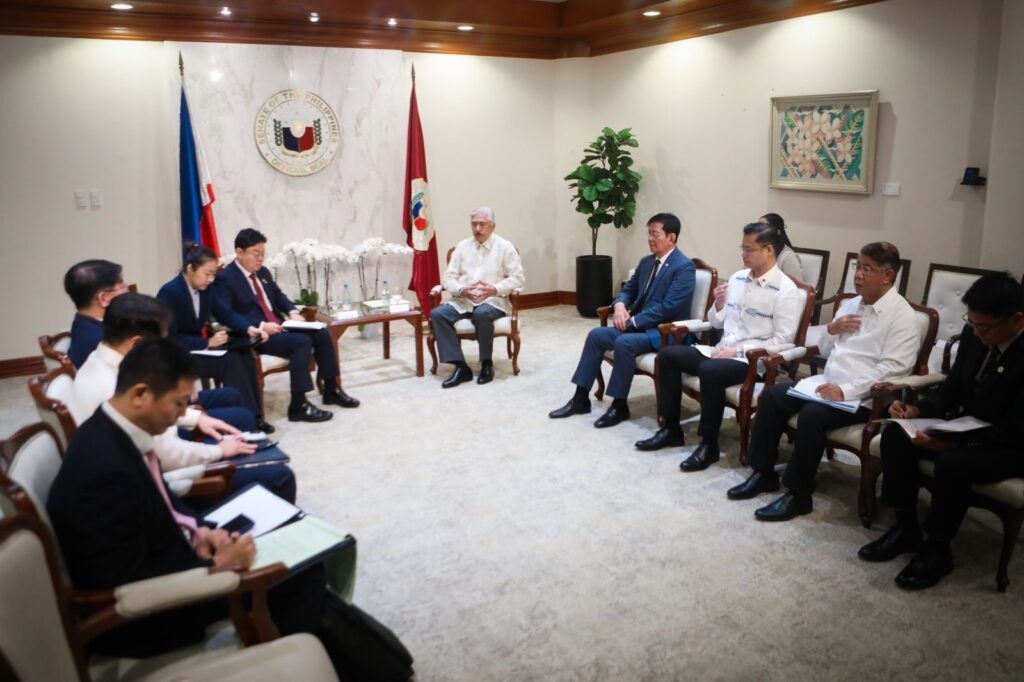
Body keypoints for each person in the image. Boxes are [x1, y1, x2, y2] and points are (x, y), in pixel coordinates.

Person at [47, 338, 411, 678]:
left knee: (295, 558)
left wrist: (201, 530)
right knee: (299, 576)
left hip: (172, 556)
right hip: (146, 621)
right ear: (140, 394)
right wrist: (219, 567)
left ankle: (372, 663)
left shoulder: (109, 432)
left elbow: (158, 506)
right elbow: (127, 586)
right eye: (179, 403)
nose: (182, 415)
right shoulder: (104, 474)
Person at [728, 242, 923, 521]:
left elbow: (893, 370)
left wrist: (845, 390)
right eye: (858, 266)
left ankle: (799, 494)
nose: (858, 275)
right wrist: (831, 329)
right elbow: (823, 347)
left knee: (812, 415)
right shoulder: (851, 304)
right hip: (826, 385)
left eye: (867, 269)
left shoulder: (903, 316)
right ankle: (763, 473)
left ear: (888, 276)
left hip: (865, 399)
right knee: (772, 396)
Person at [859, 272, 1024, 590]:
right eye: (971, 323)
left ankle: (938, 547)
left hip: (1011, 444)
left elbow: (1015, 429)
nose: (977, 333)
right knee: (896, 434)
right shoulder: (974, 334)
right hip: (967, 425)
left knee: (953, 462)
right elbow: (952, 390)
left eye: (985, 328)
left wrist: (950, 444)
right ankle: (905, 527)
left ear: (1017, 319)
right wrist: (918, 411)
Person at [68, 293, 297, 502]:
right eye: (162, 342)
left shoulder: (102, 359)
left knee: (238, 417)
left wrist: (196, 418)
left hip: (159, 464)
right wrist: (219, 451)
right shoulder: (115, 389)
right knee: (280, 475)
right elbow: (165, 455)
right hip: (160, 485)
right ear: (136, 342)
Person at [636, 222, 802, 472]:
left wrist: (738, 351)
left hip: (750, 361)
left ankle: (709, 443)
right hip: (720, 351)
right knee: (668, 356)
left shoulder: (785, 290)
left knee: (711, 371)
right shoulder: (737, 278)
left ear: (768, 250)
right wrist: (719, 304)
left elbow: (783, 341)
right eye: (742, 248)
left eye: (749, 249)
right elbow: (715, 322)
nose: (743, 254)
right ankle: (670, 429)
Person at [550, 212, 696, 428]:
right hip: (639, 328)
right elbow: (628, 290)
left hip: (664, 332)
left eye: (655, 234)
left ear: (671, 237)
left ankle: (619, 406)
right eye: (648, 234)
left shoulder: (684, 267)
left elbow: (669, 307)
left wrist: (633, 321)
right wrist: (619, 306)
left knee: (624, 342)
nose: (650, 239)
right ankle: (580, 398)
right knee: (596, 336)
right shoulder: (647, 262)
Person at [212, 228, 357, 423]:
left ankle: (332, 389)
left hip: (279, 326)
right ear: (239, 252)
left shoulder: (262, 272)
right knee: (301, 342)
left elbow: (278, 296)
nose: (261, 259)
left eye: (263, 253)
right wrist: (261, 325)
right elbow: (227, 315)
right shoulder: (226, 278)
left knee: (322, 332)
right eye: (256, 253)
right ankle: (298, 405)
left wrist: (292, 311)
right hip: (256, 335)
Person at [157, 243, 272, 432]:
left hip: (200, 350)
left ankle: (254, 416)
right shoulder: (170, 292)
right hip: (179, 355)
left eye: (213, 275)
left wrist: (249, 328)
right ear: (190, 268)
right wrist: (206, 342)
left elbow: (225, 313)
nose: (210, 280)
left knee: (244, 355)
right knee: (231, 361)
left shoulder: (207, 289)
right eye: (207, 274)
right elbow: (169, 338)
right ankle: (241, 421)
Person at [430, 207, 525, 387]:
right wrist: (462, 289)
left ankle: (487, 363)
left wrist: (495, 289)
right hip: (463, 299)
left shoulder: (505, 247)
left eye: (482, 224)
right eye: (474, 224)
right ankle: (460, 366)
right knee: (438, 314)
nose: (477, 228)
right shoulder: (462, 247)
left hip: (492, 300)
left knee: (482, 314)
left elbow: (518, 278)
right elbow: (448, 278)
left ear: (492, 226)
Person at [63, 259, 127, 368]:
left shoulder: (82, 322)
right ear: (104, 298)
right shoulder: (104, 343)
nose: (127, 292)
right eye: (123, 287)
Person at [758, 213, 803, 284]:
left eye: (763, 228)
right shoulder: (756, 251)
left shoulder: (788, 257)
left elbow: (796, 286)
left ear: (777, 232)